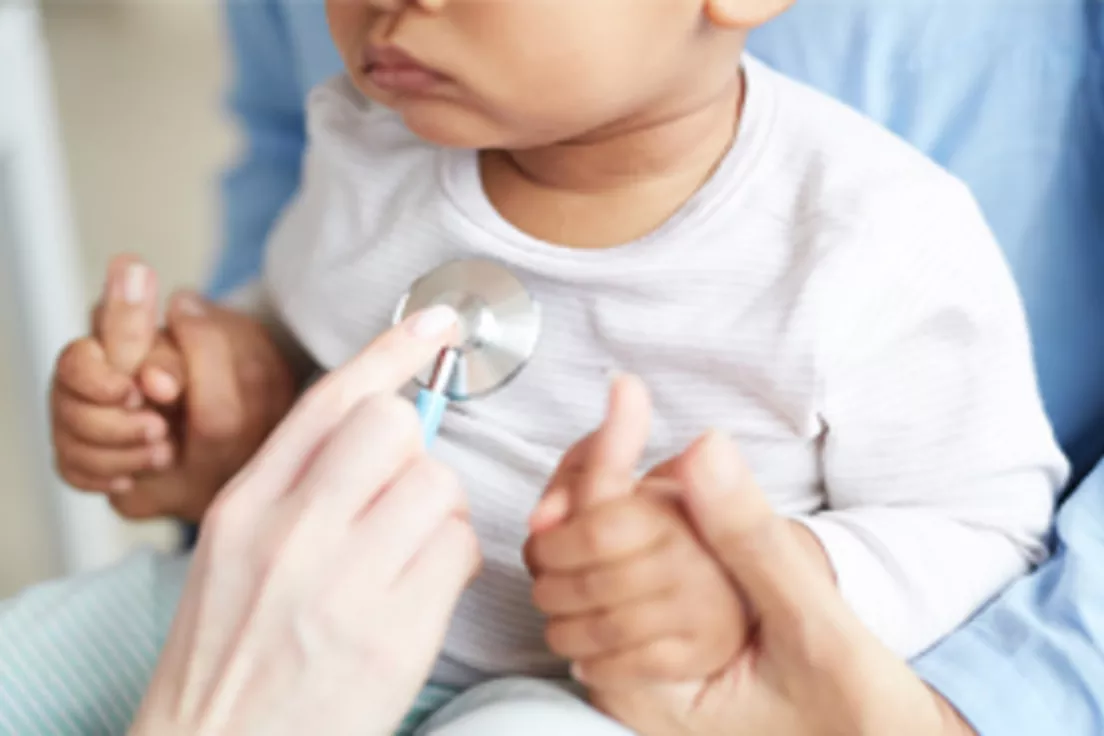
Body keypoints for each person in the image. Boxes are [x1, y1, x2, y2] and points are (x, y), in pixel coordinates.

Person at [39, 0, 1067, 729]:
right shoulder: (367, 135)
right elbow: (312, 312)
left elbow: (984, 522)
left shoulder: (866, 237)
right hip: (289, 613)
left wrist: (768, 582)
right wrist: (221, 390)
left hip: (582, 701)